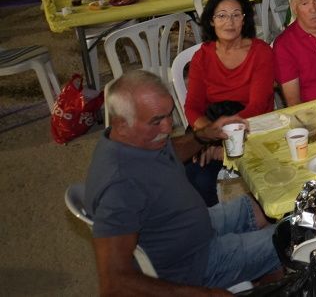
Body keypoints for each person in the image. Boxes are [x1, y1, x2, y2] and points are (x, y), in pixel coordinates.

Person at [85, 71, 279, 294]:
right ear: (121, 123)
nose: (167, 128)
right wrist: (197, 293)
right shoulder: (119, 187)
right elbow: (114, 283)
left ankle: (266, 275)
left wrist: (203, 135)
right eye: (156, 121)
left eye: (169, 115)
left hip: (198, 226)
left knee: (269, 203)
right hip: (195, 266)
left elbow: (170, 151)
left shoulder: (133, 140)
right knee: (291, 237)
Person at [185, 0, 276, 204]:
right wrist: (207, 136)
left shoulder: (261, 52)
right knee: (195, 176)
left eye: (236, 15)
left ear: (244, 20)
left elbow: (257, 106)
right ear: (211, 21)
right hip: (212, 123)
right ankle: (211, 228)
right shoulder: (202, 57)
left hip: (251, 124)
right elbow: (192, 107)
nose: (230, 22)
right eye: (222, 16)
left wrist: (222, 142)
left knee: (267, 177)